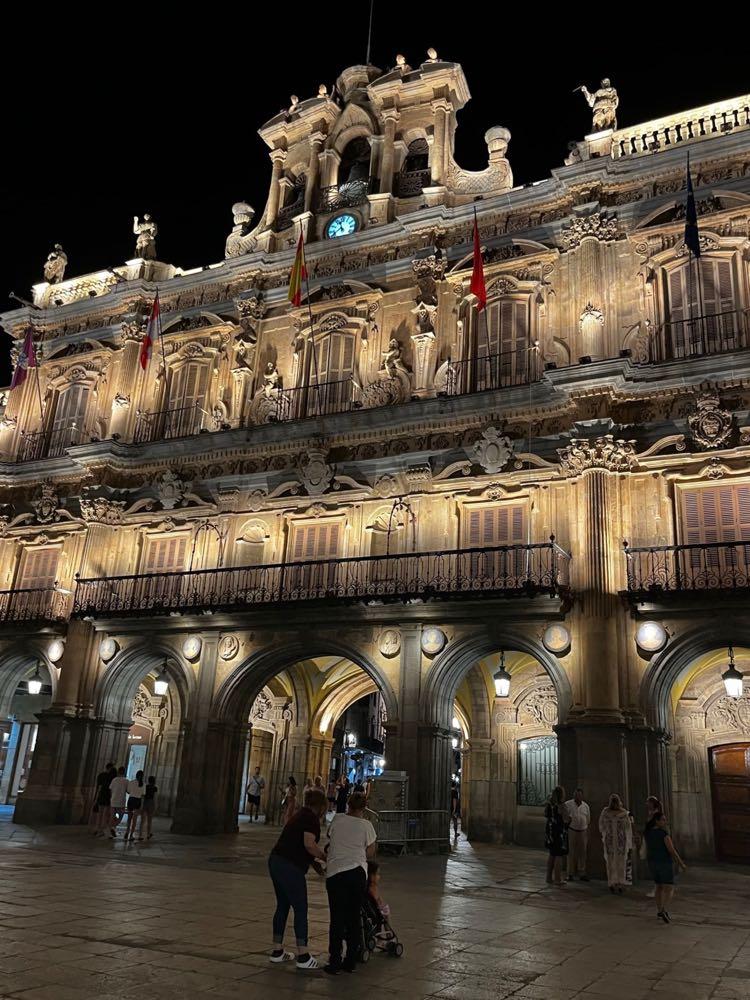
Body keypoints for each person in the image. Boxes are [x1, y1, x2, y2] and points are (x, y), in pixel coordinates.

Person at [268, 786, 327, 970]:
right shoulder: (311, 819)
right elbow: (308, 845)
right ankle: (303, 955)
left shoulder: (301, 814)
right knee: (301, 908)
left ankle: (277, 951)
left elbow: (298, 843)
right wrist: (324, 857)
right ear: (321, 806)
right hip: (289, 866)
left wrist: (315, 864)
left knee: (283, 905)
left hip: (276, 860)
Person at [325, 790, 377, 975]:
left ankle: (334, 959)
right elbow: (370, 852)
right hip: (356, 872)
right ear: (364, 807)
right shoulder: (367, 825)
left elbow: (330, 838)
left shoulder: (338, 819)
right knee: (353, 917)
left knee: (336, 917)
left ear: (348, 804)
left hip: (335, 872)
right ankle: (350, 961)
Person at [644, 810, 686, 923]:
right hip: (664, 862)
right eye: (663, 820)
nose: (665, 822)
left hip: (652, 861)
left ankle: (659, 909)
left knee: (658, 886)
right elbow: (671, 850)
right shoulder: (663, 834)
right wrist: (680, 863)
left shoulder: (647, 833)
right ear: (657, 821)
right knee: (669, 887)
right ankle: (663, 908)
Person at [599, 793, 633, 893]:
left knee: (621, 863)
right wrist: (605, 833)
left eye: (615, 801)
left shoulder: (623, 813)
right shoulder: (605, 812)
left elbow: (628, 827)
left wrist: (629, 841)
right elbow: (601, 824)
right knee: (610, 863)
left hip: (621, 842)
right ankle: (612, 883)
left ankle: (621, 883)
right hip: (610, 842)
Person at [544, 785, 568, 885]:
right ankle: (558, 879)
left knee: (552, 854)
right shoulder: (561, 805)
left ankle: (548, 877)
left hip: (550, 831)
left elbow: (546, 814)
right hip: (559, 831)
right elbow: (565, 818)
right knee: (559, 855)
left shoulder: (549, 804)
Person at [564, 788, 590, 880]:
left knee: (582, 852)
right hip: (572, 830)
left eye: (579, 795)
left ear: (582, 796)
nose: (577, 797)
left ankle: (582, 872)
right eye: (575, 795)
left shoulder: (585, 806)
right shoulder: (568, 804)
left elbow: (588, 819)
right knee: (571, 852)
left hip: (583, 831)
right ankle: (570, 873)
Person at [643, 796, 664, 899]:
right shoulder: (652, 814)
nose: (646, 804)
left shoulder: (656, 815)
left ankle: (657, 889)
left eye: (648, 802)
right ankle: (658, 887)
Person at [93, 762, 116, 837]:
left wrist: (95, 797)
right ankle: (101, 830)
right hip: (107, 797)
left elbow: (98, 787)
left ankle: (97, 829)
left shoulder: (101, 775)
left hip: (101, 795)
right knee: (105, 815)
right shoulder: (111, 777)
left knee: (99, 813)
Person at [124, 770, 145, 841]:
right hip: (138, 801)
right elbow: (143, 795)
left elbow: (128, 791)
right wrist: (141, 805)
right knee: (135, 819)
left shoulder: (131, 782)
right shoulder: (143, 784)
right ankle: (131, 835)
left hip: (131, 799)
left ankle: (127, 831)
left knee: (129, 818)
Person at [109, 767, 129, 838]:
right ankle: (114, 827)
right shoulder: (126, 781)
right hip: (121, 801)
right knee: (120, 816)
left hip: (113, 800)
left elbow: (110, 789)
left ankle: (111, 830)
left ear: (118, 772)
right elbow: (128, 791)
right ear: (124, 772)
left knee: (112, 816)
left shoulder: (114, 780)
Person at [139, 776, 157, 840]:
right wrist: (155, 805)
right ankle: (148, 834)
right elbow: (155, 797)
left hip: (145, 802)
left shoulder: (145, 787)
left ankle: (140, 834)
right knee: (149, 820)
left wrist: (141, 805)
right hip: (151, 803)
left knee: (142, 820)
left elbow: (142, 796)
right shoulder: (155, 788)